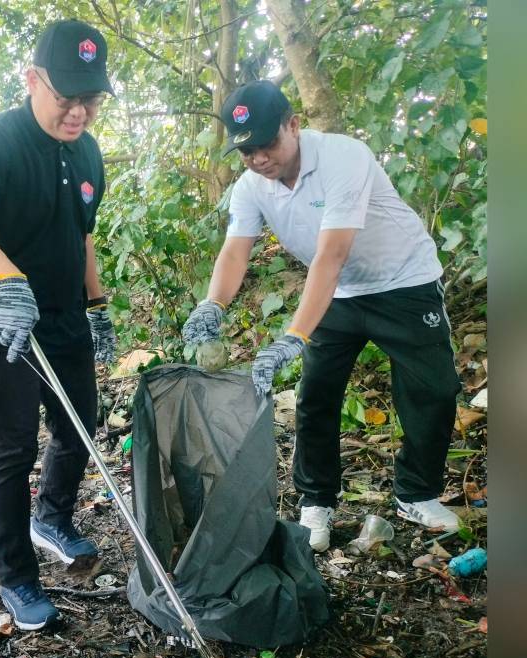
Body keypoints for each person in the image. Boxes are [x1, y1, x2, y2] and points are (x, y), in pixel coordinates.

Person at [181, 80, 461, 552]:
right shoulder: (252, 187)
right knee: (316, 394)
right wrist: (213, 303)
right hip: (337, 294)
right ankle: (317, 500)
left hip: (403, 283)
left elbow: (331, 255)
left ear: (294, 125)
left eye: (266, 144)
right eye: (246, 151)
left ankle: (416, 493)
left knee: (432, 390)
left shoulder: (342, 158)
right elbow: (235, 251)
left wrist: (294, 335)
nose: (258, 159)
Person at [0, 19, 117, 630]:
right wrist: (7, 282)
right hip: (0, 319)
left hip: (65, 314)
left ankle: (53, 518)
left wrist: (98, 307)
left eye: (90, 99)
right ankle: (16, 575)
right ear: (32, 79)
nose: (79, 111)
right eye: (67, 96)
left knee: (79, 426)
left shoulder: (88, 149)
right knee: (13, 446)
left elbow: (82, 234)